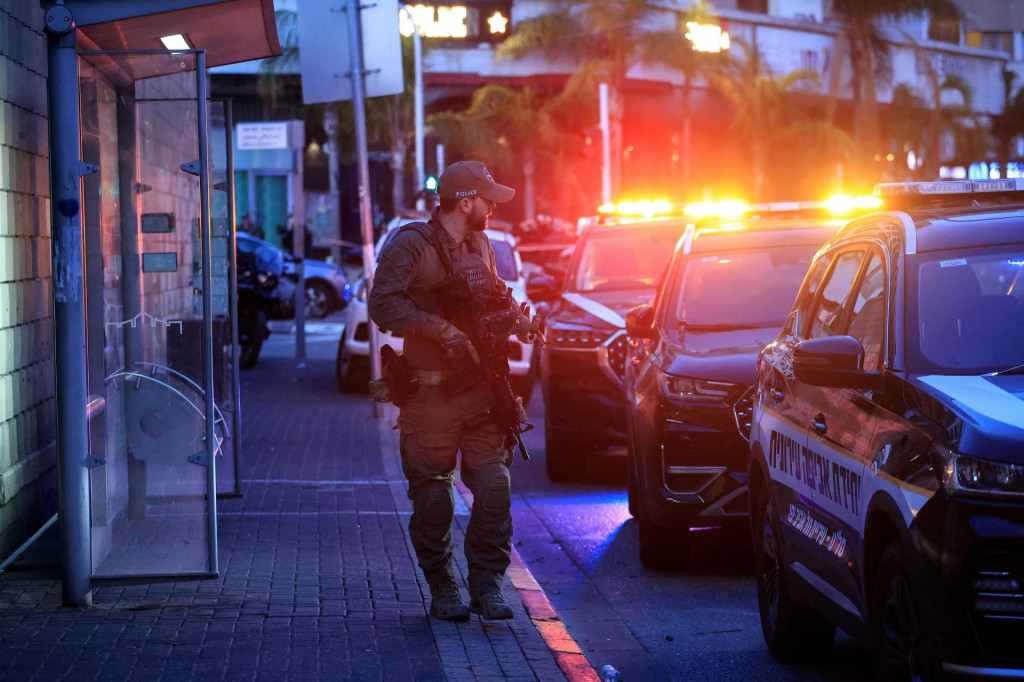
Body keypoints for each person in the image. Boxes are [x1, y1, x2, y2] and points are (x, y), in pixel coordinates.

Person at [368, 161, 543, 621]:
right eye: (488, 199)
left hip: (482, 392)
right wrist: (439, 331)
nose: (493, 207)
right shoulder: (411, 244)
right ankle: (443, 584)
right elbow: (382, 302)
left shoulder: (480, 243)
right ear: (466, 202)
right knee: (433, 497)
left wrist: (516, 320)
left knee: (495, 487)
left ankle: (487, 586)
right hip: (432, 396)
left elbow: (492, 297)